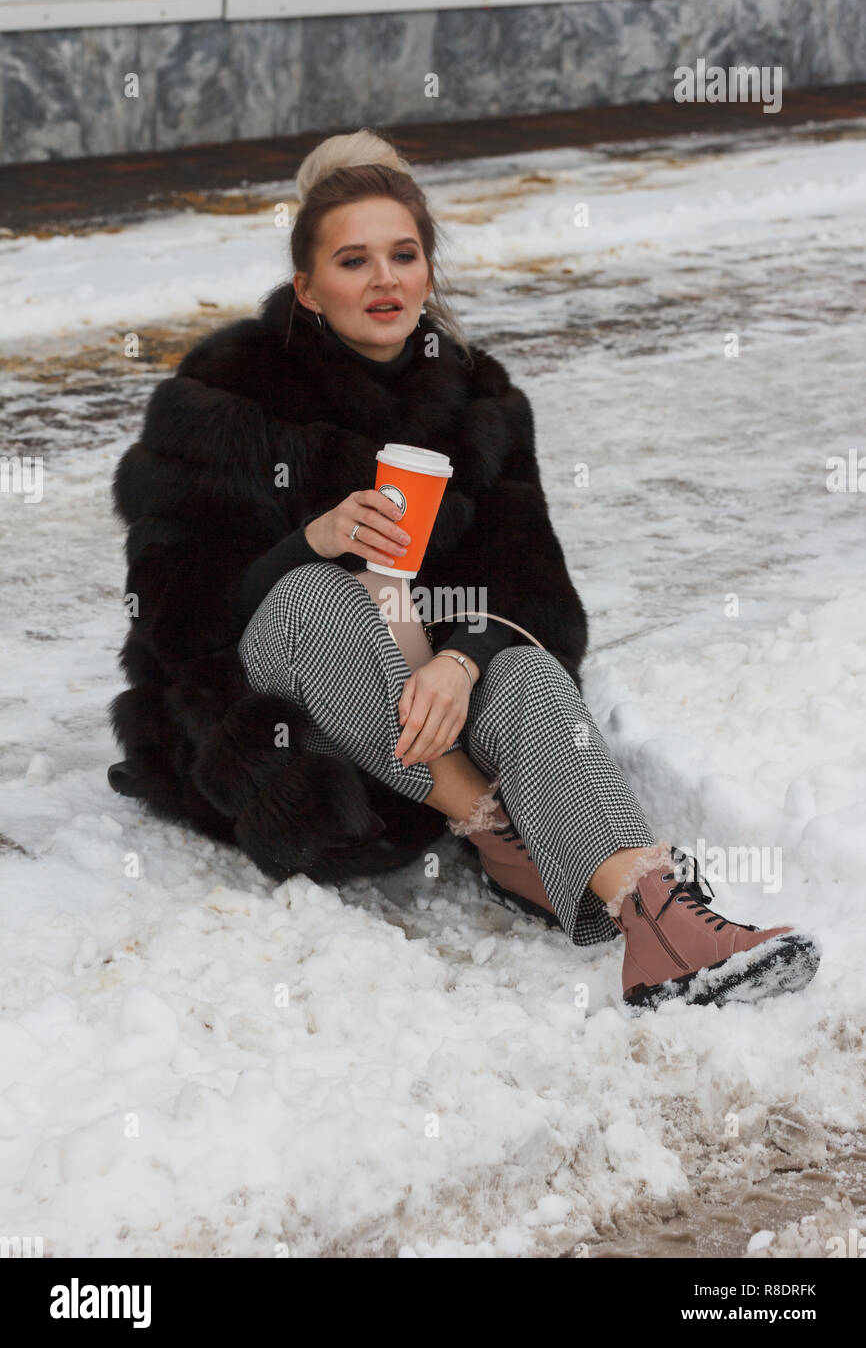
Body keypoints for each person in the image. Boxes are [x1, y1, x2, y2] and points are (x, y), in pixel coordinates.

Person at [107, 127, 819, 1010]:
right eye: (353, 260)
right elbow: (173, 613)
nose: (385, 280)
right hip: (282, 726)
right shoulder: (222, 399)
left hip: (420, 696)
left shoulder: (480, 401)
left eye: (404, 255)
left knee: (516, 665)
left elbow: (539, 595)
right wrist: (311, 540)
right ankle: (494, 830)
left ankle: (661, 923)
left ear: (430, 270)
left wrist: (463, 655)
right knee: (316, 598)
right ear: (306, 285)